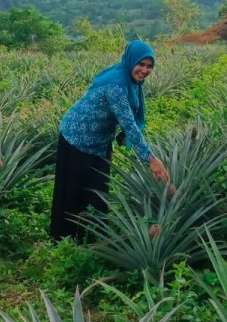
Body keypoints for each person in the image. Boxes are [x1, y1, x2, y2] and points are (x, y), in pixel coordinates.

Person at [50, 40, 171, 242]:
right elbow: (129, 124)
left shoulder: (129, 81)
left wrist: (122, 136)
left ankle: (93, 238)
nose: (145, 70)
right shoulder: (117, 85)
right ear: (130, 61)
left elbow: (126, 118)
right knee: (73, 191)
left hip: (99, 140)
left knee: (99, 190)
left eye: (149, 66)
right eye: (141, 64)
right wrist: (150, 159)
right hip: (76, 138)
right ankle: (64, 239)